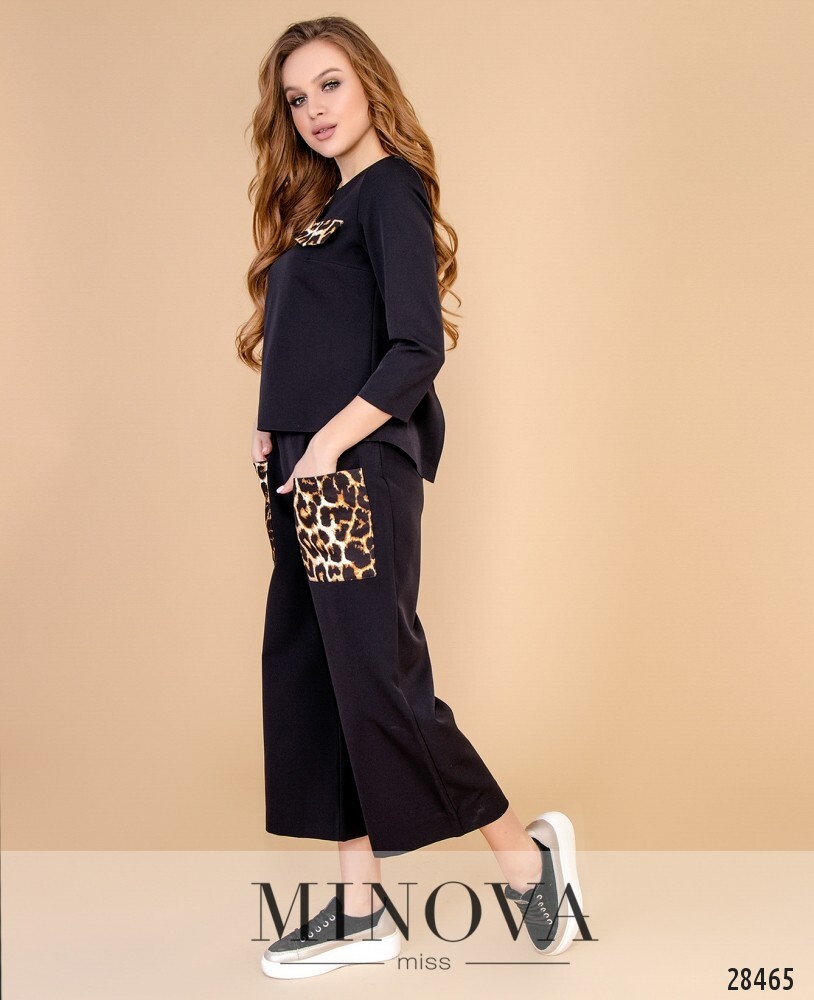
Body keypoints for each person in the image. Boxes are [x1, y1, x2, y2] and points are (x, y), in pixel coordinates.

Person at [236, 15, 585, 980]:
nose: (313, 110)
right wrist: (275, 430)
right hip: (304, 474)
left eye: (330, 85)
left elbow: (415, 349)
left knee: (380, 680)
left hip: (351, 473)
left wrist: (326, 442)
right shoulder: (325, 207)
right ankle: (360, 914)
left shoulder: (391, 190)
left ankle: (526, 859)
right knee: (323, 677)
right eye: (296, 98)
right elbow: (314, 341)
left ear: (370, 84)